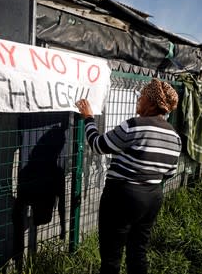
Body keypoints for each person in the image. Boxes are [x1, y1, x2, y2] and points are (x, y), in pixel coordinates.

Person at [75, 78, 182, 274]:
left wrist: (88, 118)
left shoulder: (134, 125)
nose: (138, 100)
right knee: (138, 251)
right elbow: (169, 172)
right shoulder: (174, 136)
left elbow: (98, 145)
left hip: (123, 196)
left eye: (141, 96)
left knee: (111, 256)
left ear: (151, 102)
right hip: (152, 197)